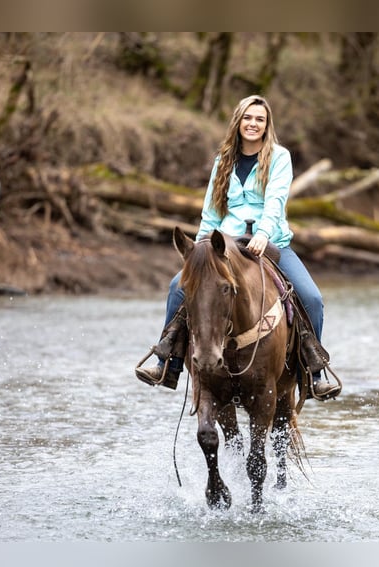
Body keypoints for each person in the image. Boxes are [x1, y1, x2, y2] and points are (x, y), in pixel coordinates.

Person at [136, 94, 339, 400]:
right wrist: (199, 248)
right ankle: (168, 362)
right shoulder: (223, 160)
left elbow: (275, 202)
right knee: (178, 286)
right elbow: (212, 211)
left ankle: (313, 373)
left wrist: (263, 232)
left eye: (260, 119)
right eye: (248, 118)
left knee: (312, 297)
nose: (253, 124)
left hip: (269, 243)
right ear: (238, 121)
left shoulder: (279, 157)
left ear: (267, 124)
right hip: (224, 244)